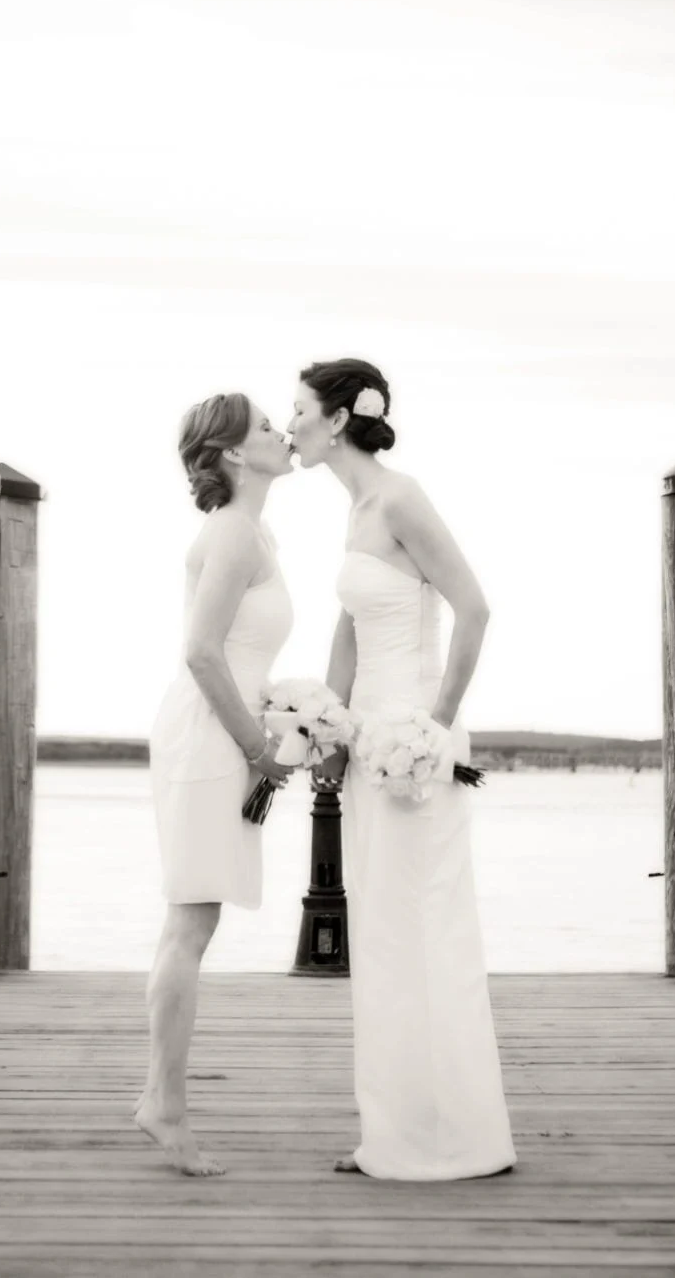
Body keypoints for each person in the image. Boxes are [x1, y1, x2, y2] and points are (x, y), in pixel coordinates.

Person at [287, 358, 517, 1180]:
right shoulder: (354, 511)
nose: (292, 423)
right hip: (370, 743)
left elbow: (475, 607)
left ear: (340, 418)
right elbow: (347, 632)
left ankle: (458, 1132)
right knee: (381, 932)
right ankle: (391, 1130)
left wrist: (434, 727)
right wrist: (330, 732)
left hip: (416, 740)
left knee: (426, 922)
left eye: (301, 409)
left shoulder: (402, 497)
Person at [135, 392, 297, 1176]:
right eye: (267, 426)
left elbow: (237, 654)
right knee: (188, 927)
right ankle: (163, 1104)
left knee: (192, 924)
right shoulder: (234, 531)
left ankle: (159, 1099)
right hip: (209, 735)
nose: (281, 433)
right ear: (234, 453)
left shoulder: (256, 530)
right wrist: (258, 744)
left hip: (223, 729)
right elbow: (202, 653)